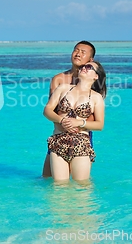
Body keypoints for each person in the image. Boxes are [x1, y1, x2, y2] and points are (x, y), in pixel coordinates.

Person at [43, 61, 107, 181]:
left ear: (96, 76)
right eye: (83, 66)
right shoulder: (63, 88)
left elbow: (100, 125)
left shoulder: (96, 97)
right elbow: (47, 110)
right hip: (58, 141)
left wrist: (80, 123)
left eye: (89, 67)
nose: (84, 68)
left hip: (81, 143)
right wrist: (61, 120)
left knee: (82, 187)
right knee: (59, 186)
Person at [42, 41, 96, 177]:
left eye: (83, 52)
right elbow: (52, 110)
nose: (78, 53)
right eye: (76, 50)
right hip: (59, 134)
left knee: (81, 183)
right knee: (47, 178)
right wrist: (64, 124)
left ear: (90, 60)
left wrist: (77, 127)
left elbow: (93, 114)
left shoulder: (93, 81)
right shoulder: (59, 79)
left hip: (82, 135)